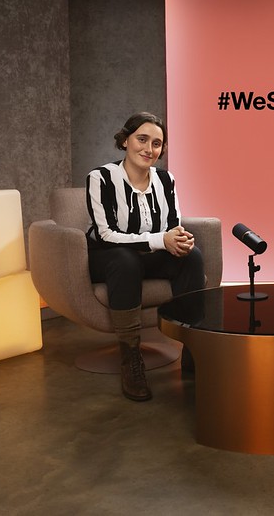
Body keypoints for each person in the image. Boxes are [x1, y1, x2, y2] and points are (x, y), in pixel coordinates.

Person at [85, 112, 204, 401]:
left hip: (150, 254)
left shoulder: (165, 180)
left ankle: (193, 349)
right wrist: (159, 240)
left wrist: (179, 239)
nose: (149, 149)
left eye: (157, 143)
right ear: (125, 140)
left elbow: (173, 223)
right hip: (109, 258)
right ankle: (130, 357)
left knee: (193, 257)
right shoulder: (100, 178)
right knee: (125, 260)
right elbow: (105, 234)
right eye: (142, 139)